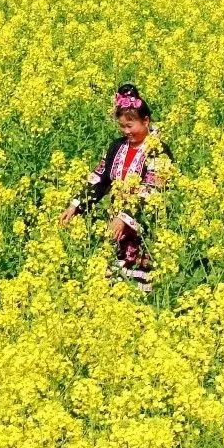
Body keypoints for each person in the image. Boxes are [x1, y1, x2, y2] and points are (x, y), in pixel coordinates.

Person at [61, 83, 169, 293]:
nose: (126, 131)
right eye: (122, 126)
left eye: (130, 126)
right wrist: (76, 205)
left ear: (146, 121)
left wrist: (125, 217)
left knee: (140, 287)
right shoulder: (117, 147)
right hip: (116, 229)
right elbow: (100, 179)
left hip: (145, 229)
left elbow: (152, 189)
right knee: (110, 287)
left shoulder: (159, 150)